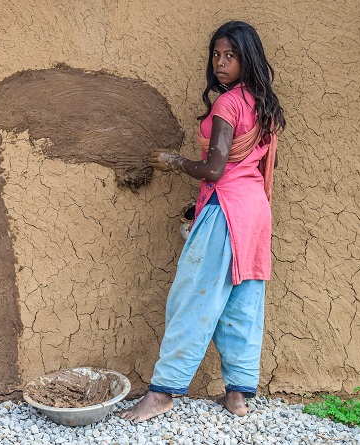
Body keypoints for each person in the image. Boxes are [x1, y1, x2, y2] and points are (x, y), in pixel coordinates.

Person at [118, 20, 286, 422]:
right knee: (243, 305)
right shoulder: (264, 104)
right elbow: (253, 168)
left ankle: (162, 394)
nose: (221, 62)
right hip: (254, 214)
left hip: (227, 212)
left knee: (193, 298)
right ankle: (238, 395)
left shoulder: (228, 104)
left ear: (248, 59)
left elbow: (215, 169)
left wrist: (173, 161)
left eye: (231, 55)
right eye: (216, 54)